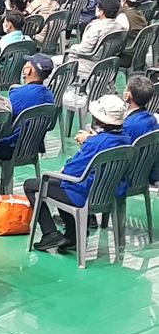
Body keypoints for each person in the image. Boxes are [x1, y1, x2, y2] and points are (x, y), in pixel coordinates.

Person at [25, 94, 129, 253]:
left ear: (99, 119)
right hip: (108, 195)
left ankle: (50, 233)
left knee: (32, 185)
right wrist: (92, 140)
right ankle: (72, 234)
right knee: (58, 184)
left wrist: (87, 143)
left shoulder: (95, 144)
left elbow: (71, 172)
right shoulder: (126, 140)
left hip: (83, 196)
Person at [0, 54, 56, 161]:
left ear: (28, 70)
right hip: (32, 147)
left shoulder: (18, 94)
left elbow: (4, 118)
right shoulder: (49, 96)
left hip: (9, 148)